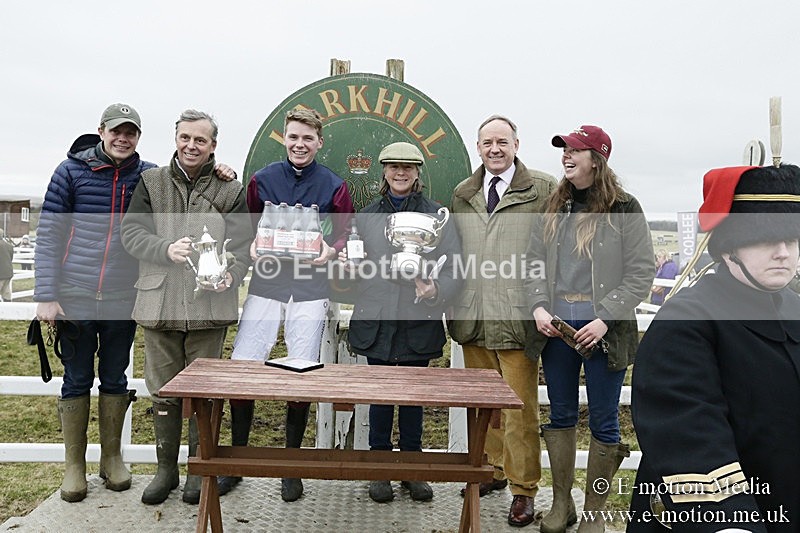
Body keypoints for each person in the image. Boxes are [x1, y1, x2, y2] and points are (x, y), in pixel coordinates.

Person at [628, 164, 800, 532]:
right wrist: (733, 522)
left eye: (793, 237)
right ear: (728, 245)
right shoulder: (686, 321)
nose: (783, 252)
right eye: (765, 238)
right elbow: (688, 434)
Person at [525, 125, 654, 533]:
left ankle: (594, 515)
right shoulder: (553, 205)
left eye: (574, 150)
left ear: (596, 158)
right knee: (560, 414)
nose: (565, 156)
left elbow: (641, 273)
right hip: (556, 328)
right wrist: (539, 308)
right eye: (564, 150)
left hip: (605, 331)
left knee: (604, 421)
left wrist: (605, 319)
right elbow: (532, 264)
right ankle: (562, 505)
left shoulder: (624, 207)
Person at [221, 108, 354, 502]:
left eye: (307, 138)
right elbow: (245, 226)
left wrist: (330, 250)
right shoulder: (262, 179)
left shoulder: (334, 185)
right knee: (244, 365)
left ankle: (291, 466)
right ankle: (237, 460)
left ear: (319, 141)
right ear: (285, 138)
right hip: (267, 283)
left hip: (310, 287)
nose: (300, 144)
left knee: (302, 368)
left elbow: (346, 232)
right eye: (294, 137)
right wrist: (247, 243)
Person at [120, 109, 251, 505]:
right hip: (158, 303)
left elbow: (244, 245)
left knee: (206, 392)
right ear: (175, 138)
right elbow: (131, 232)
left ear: (213, 145)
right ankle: (166, 471)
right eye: (185, 138)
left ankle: (199, 467)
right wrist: (164, 249)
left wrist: (232, 273)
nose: (191, 146)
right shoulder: (151, 182)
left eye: (200, 140)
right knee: (162, 392)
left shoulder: (230, 189)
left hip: (208, 307)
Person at [338, 141, 462, 503]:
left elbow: (454, 265)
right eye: (394, 167)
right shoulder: (367, 215)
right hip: (377, 317)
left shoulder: (437, 216)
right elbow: (355, 266)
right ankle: (380, 469)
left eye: (408, 167)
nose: (401, 173)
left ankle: (412, 469)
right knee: (379, 397)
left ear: (418, 172)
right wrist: (349, 268)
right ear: (384, 171)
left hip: (416, 320)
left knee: (413, 399)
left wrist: (436, 290)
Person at [449, 115, 556, 527]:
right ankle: (491, 469)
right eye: (487, 142)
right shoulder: (463, 193)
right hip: (473, 315)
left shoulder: (542, 189)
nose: (495, 149)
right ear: (478, 147)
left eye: (502, 141)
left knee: (520, 410)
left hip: (517, 316)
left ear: (516, 144)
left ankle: (524, 489)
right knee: (483, 407)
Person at [0, 230, 14, 302]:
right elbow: (10, 258)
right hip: (8, 272)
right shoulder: (9, 246)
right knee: (6, 293)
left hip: (1, 274)